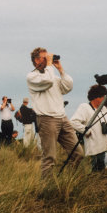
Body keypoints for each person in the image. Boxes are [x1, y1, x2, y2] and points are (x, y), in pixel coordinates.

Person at [26, 47, 83, 178]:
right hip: (46, 119)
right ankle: (47, 189)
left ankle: (66, 181)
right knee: (49, 157)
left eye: (48, 57)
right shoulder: (32, 76)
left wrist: (60, 69)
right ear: (36, 60)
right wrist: (50, 66)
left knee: (78, 153)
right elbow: (48, 81)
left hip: (62, 118)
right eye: (45, 57)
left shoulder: (52, 75)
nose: (48, 60)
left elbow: (68, 87)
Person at [70, 85, 107, 171]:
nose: (105, 99)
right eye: (103, 97)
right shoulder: (85, 107)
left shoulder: (105, 109)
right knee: (98, 177)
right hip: (96, 151)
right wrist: (86, 131)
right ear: (96, 97)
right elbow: (73, 122)